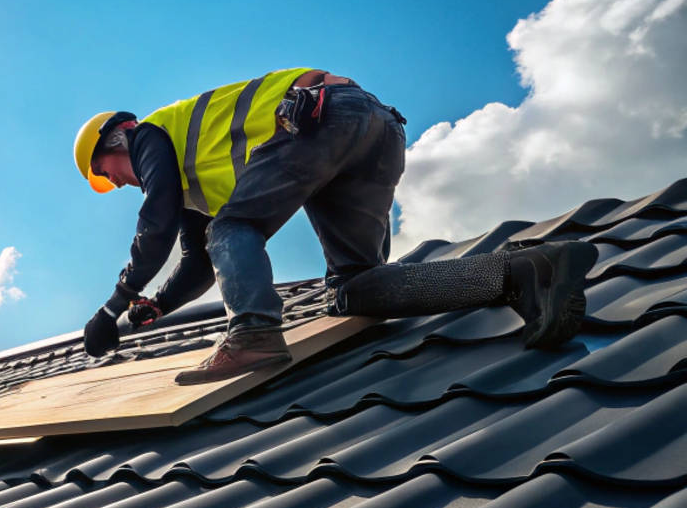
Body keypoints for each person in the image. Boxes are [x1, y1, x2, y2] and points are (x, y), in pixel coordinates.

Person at [74, 68, 596, 383]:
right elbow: (199, 261)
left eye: (107, 173)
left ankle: (253, 334)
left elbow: (157, 222)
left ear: (116, 140)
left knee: (232, 227)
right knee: (354, 288)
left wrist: (111, 306)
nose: (119, 184)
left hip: (322, 116)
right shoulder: (188, 174)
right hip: (373, 128)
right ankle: (525, 273)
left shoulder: (148, 136)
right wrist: (156, 306)